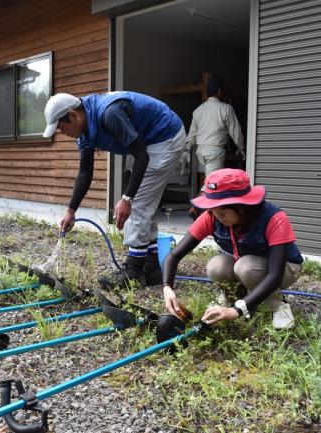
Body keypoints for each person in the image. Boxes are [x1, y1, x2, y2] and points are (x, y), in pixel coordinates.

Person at [42, 91, 186, 287]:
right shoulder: (84, 132)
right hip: (148, 141)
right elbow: (85, 173)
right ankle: (152, 269)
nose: (63, 133)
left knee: (138, 202)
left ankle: (134, 271)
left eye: (62, 127)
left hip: (165, 135)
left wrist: (127, 199)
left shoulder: (109, 113)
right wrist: (71, 211)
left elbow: (141, 156)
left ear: (74, 114)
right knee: (144, 200)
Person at [161, 168, 303, 329]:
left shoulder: (274, 218)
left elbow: (275, 275)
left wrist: (237, 311)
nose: (217, 216)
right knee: (216, 266)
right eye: (213, 210)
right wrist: (167, 287)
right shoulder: (212, 217)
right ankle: (236, 299)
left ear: (242, 206)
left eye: (222, 212)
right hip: (245, 263)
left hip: (286, 268)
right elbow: (174, 255)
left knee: (246, 267)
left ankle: (277, 306)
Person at [185, 79, 245, 177]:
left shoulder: (198, 110)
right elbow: (235, 130)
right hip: (214, 152)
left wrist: (187, 148)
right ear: (219, 91)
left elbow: (192, 133)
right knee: (212, 184)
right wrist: (241, 147)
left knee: (208, 181)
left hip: (200, 152)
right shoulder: (226, 108)